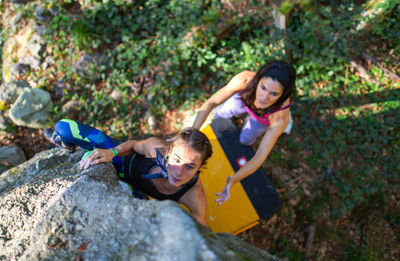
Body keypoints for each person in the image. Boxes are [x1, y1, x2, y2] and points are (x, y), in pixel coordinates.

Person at [44, 119, 213, 226]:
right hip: (120, 161)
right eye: (176, 159)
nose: (178, 171)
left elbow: (203, 232)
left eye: (190, 166)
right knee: (63, 127)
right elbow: (132, 144)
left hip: (136, 195)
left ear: (200, 168)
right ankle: (66, 146)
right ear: (168, 153)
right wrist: (113, 152)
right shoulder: (156, 149)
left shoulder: (193, 195)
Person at [192, 61, 296, 205]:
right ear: (258, 80)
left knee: (246, 139)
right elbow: (211, 102)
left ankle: (246, 141)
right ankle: (222, 122)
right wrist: (191, 133)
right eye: (263, 87)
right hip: (244, 100)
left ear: (283, 95)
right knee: (221, 112)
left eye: (274, 94)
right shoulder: (245, 80)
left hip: (263, 118)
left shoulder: (280, 117)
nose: (264, 97)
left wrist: (234, 179)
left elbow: (260, 155)